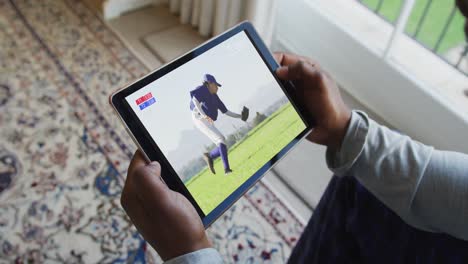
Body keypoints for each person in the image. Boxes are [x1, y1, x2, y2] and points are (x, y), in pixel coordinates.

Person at [120, 1, 468, 262]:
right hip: (201, 122)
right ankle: (215, 163)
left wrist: (189, 252)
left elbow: (221, 107)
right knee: (357, 183)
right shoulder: (200, 93)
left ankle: (216, 163)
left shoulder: (214, 94)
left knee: (221, 144)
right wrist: (347, 130)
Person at [189, 74, 249, 175]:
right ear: (209, 84)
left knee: (221, 140)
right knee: (221, 139)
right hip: (199, 117)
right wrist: (204, 116)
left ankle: (210, 156)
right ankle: (226, 170)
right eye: (215, 85)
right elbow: (195, 100)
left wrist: (241, 116)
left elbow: (226, 112)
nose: (217, 88)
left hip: (205, 119)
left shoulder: (215, 97)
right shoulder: (203, 89)